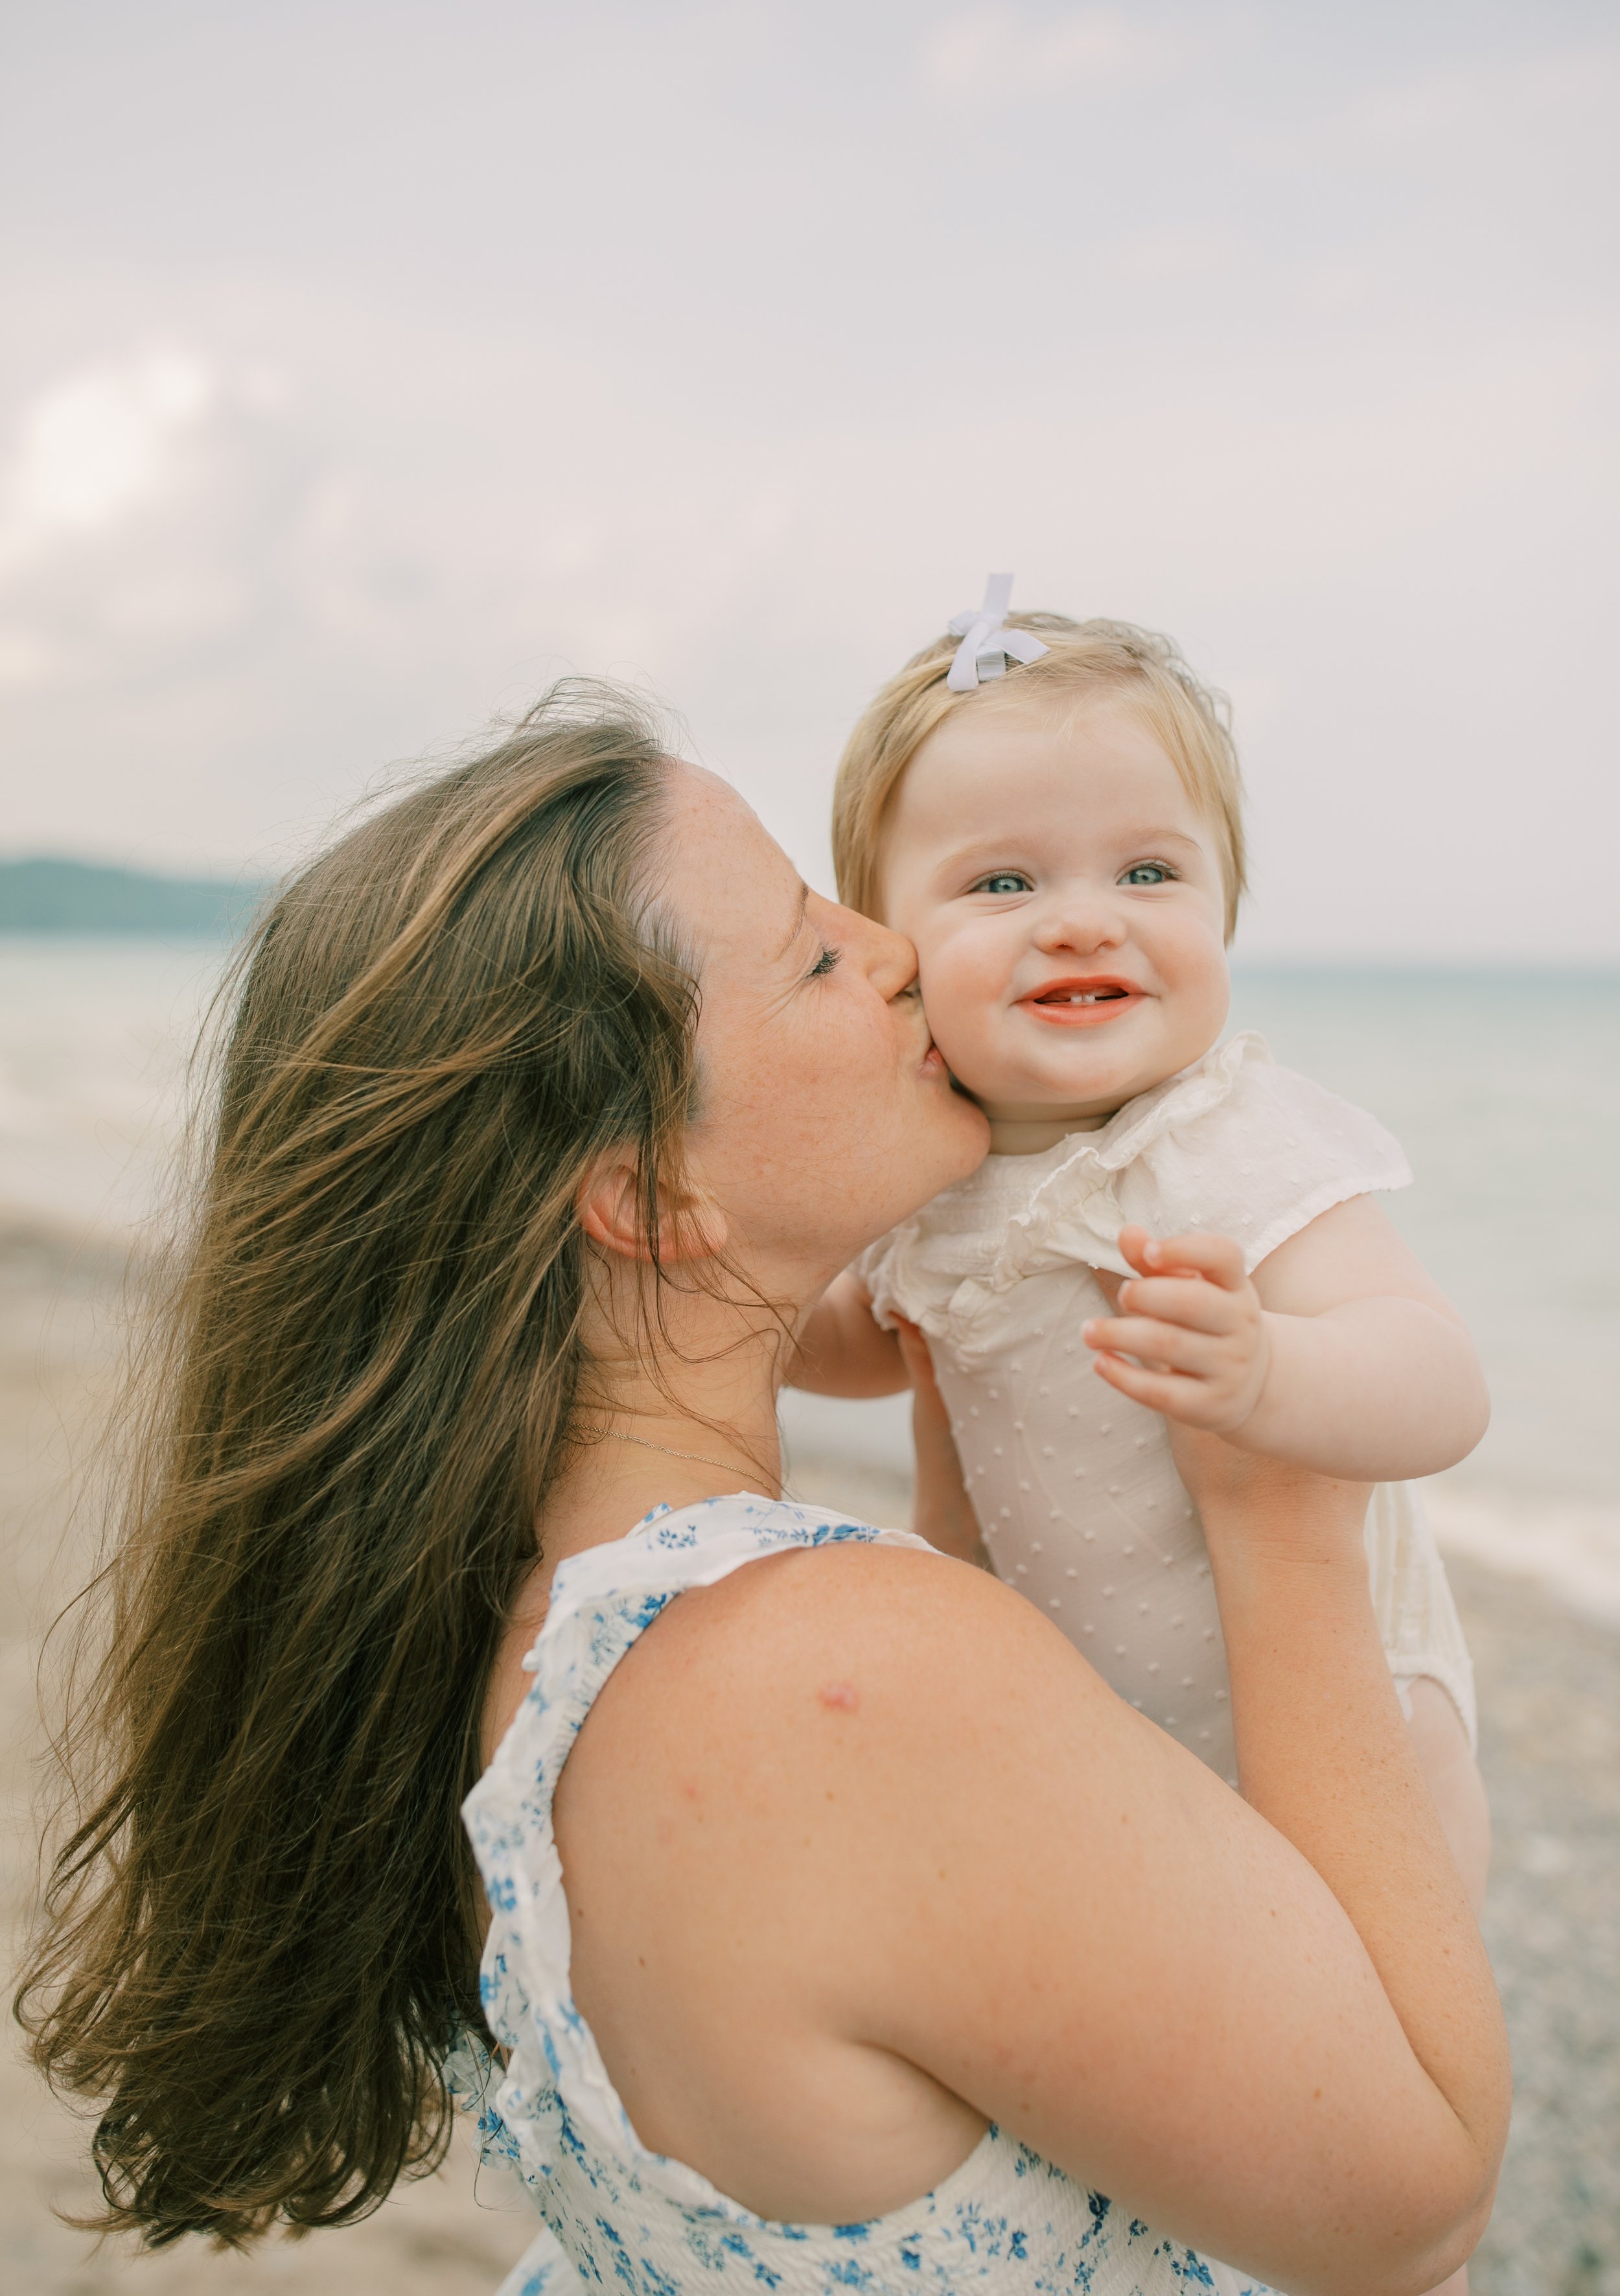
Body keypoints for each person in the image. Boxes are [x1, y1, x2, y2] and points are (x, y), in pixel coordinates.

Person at [19, 688, 1507, 2295]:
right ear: (648, 1192)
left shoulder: (501, 1623)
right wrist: (1276, 1505)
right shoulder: (835, 1681)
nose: (891, 950)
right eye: (813, 946)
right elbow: (1413, 2212)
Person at [792, 579, 1490, 1901]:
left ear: (1222, 904)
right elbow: (870, 1343)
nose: (1079, 917)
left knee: (1361, 2004)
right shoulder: (924, 1166)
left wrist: (1271, 1374)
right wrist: (745, 1309)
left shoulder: (1218, 1138)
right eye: (1001, 880)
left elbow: (1439, 1384)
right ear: (890, 948)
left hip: (1349, 1707)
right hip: (1109, 1722)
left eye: (1146, 871)